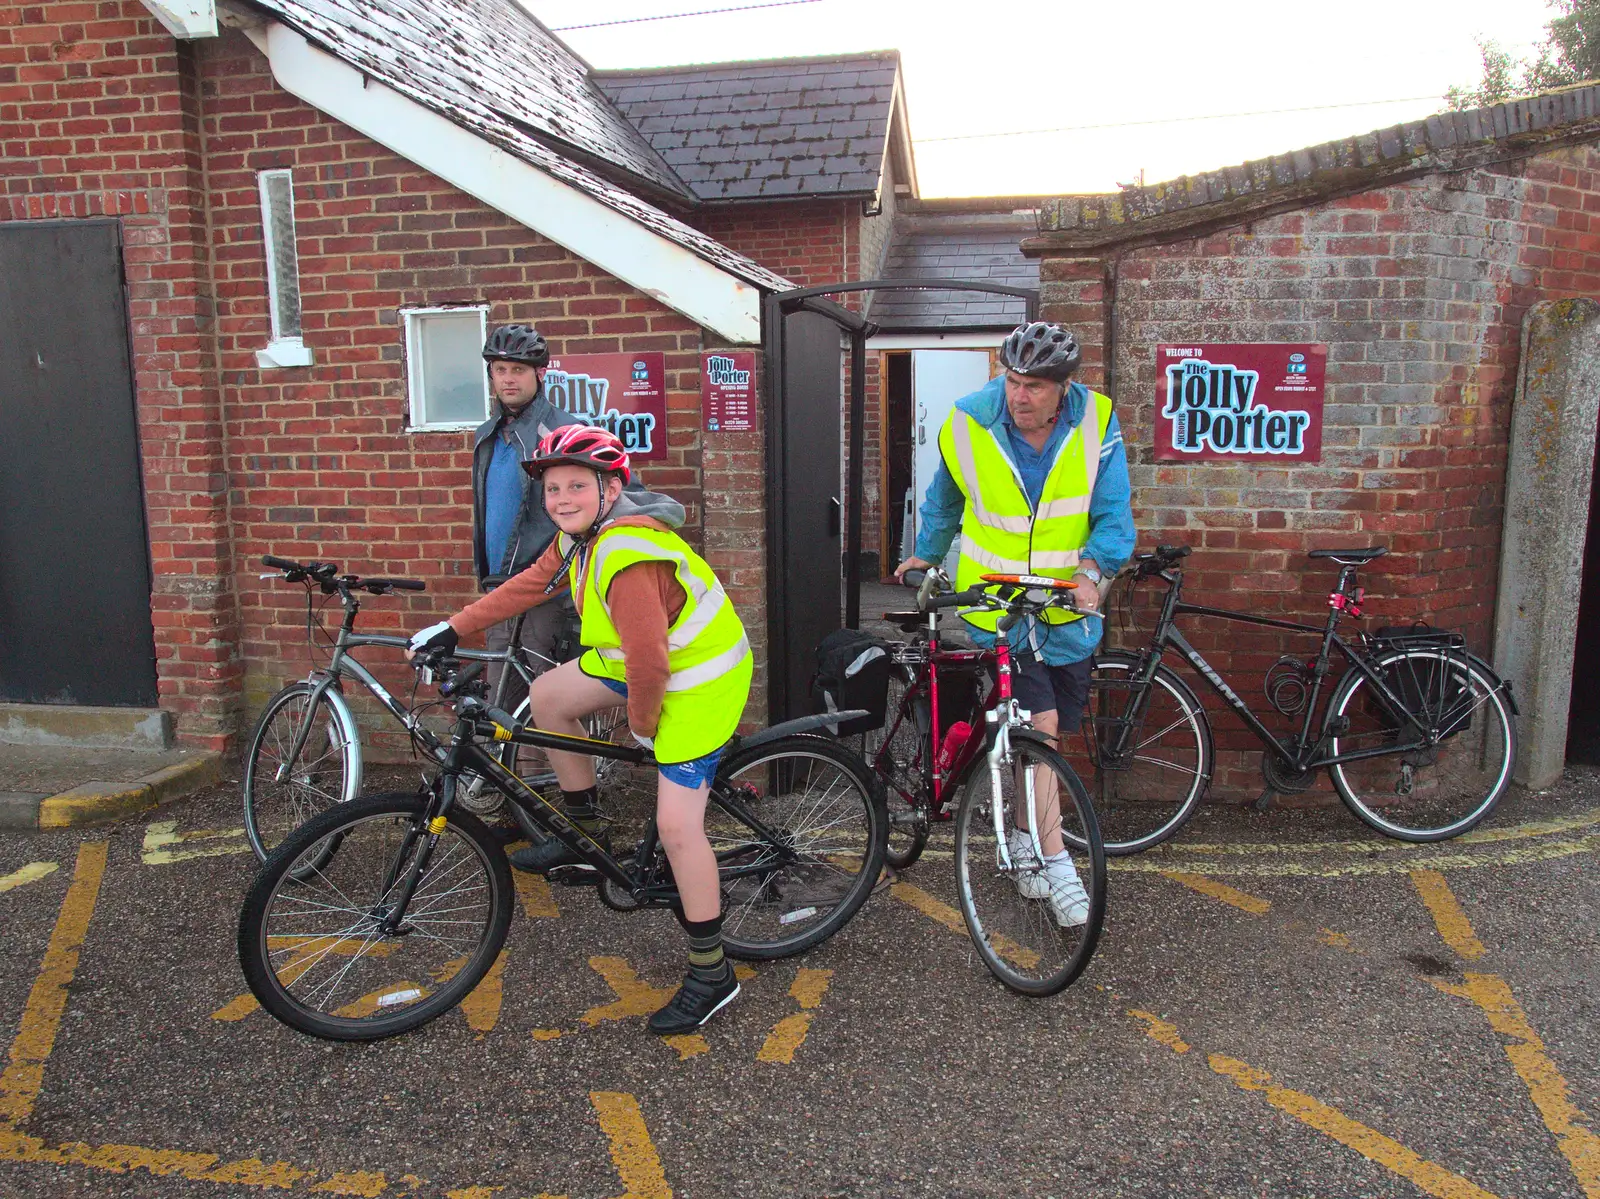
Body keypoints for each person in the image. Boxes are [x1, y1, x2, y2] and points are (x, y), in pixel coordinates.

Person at [409, 426, 753, 1035]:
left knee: (677, 828)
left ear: (611, 488)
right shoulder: (578, 538)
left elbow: (652, 663)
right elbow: (527, 587)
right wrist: (450, 628)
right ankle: (583, 836)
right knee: (546, 696)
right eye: (552, 488)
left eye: (576, 486)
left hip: (698, 678)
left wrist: (643, 730)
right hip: (641, 661)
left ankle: (711, 971)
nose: (562, 498)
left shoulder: (627, 556)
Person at [895, 321, 1134, 928]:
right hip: (998, 607)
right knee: (1041, 724)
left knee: (1046, 743)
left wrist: (1092, 569)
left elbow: (1113, 516)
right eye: (1012, 379)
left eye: (1033, 386)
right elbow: (946, 499)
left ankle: (1026, 839)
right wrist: (925, 555)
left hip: (1064, 611)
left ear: (1063, 388)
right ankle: (1058, 865)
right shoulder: (968, 419)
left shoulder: (1097, 422)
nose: (1017, 395)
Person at [472, 324, 582, 720]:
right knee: (499, 702)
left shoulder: (564, 432)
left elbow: (610, 500)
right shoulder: (487, 435)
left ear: (540, 373)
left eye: (517, 370)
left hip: (548, 590)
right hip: (500, 588)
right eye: (500, 370)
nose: (507, 379)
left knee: (551, 701)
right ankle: (510, 781)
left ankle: (553, 782)